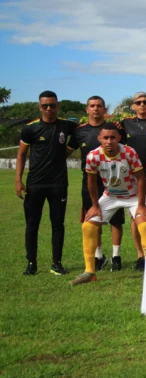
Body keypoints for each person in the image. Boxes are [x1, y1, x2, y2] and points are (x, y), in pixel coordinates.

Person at [71, 123, 146, 285]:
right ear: (99, 138)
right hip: (110, 196)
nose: (109, 141)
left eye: (113, 137)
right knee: (88, 226)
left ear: (119, 138)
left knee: (144, 225)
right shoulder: (93, 156)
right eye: (106, 138)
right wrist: (95, 206)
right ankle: (89, 272)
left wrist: (142, 205)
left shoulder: (129, 153)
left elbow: (141, 178)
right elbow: (92, 183)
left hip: (132, 195)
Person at [16, 91, 77, 276]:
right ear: (39, 107)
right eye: (45, 106)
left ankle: (56, 263)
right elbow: (21, 155)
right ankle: (31, 263)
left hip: (58, 184)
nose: (49, 109)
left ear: (58, 106)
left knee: (58, 224)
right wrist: (18, 180)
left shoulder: (67, 125)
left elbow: (86, 131)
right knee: (32, 224)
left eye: (52, 105)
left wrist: (65, 152)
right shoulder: (30, 128)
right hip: (35, 184)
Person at [68, 95, 126, 271]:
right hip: (90, 182)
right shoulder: (79, 131)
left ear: (104, 109)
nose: (96, 109)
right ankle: (99, 256)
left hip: (114, 180)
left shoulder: (115, 129)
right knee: (94, 218)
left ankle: (116, 256)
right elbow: (66, 151)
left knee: (116, 220)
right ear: (87, 109)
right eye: (92, 106)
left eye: (99, 106)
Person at [122, 92, 146, 270]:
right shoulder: (125, 124)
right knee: (135, 216)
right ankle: (140, 255)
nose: (142, 105)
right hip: (133, 176)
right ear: (133, 106)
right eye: (138, 102)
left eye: (145, 102)